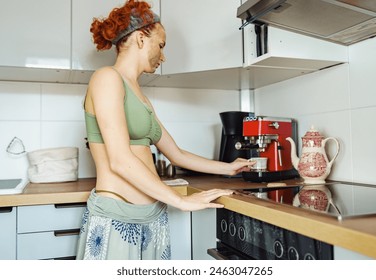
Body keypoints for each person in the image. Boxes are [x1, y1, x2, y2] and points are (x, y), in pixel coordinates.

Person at [76, 0, 254, 260]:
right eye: (161, 45)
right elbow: (119, 159)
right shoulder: (106, 78)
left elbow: (177, 154)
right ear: (140, 38)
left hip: (153, 218)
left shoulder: (140, 95)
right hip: (117, 218)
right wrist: (181, 201)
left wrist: (229, 168)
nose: (163, 55)